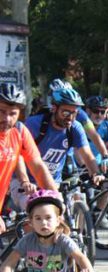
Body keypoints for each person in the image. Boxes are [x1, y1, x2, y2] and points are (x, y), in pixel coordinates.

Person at [18, 87, 104, 212]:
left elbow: (87, 155)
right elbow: (18, 155)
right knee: (39, 211)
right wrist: (24, 181)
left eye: (74, 113)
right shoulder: (34, 124)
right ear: (54, 108)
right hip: (27, 182)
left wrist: (96, 173)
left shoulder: (75, 128)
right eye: (65, 113)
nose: (70, 117)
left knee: (74, 203)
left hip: (54, 181)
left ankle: (78, 226)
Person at [0, 83, 56, 230]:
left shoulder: (19, 131)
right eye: (1, 111)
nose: (7, 118)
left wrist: (56, 200)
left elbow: (38, 167)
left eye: (13, 113)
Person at [46, 79, 108, 171]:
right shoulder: (40, 115)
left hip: (68, 158)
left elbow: (93, 134)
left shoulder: (80, 114)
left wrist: (105, 155)